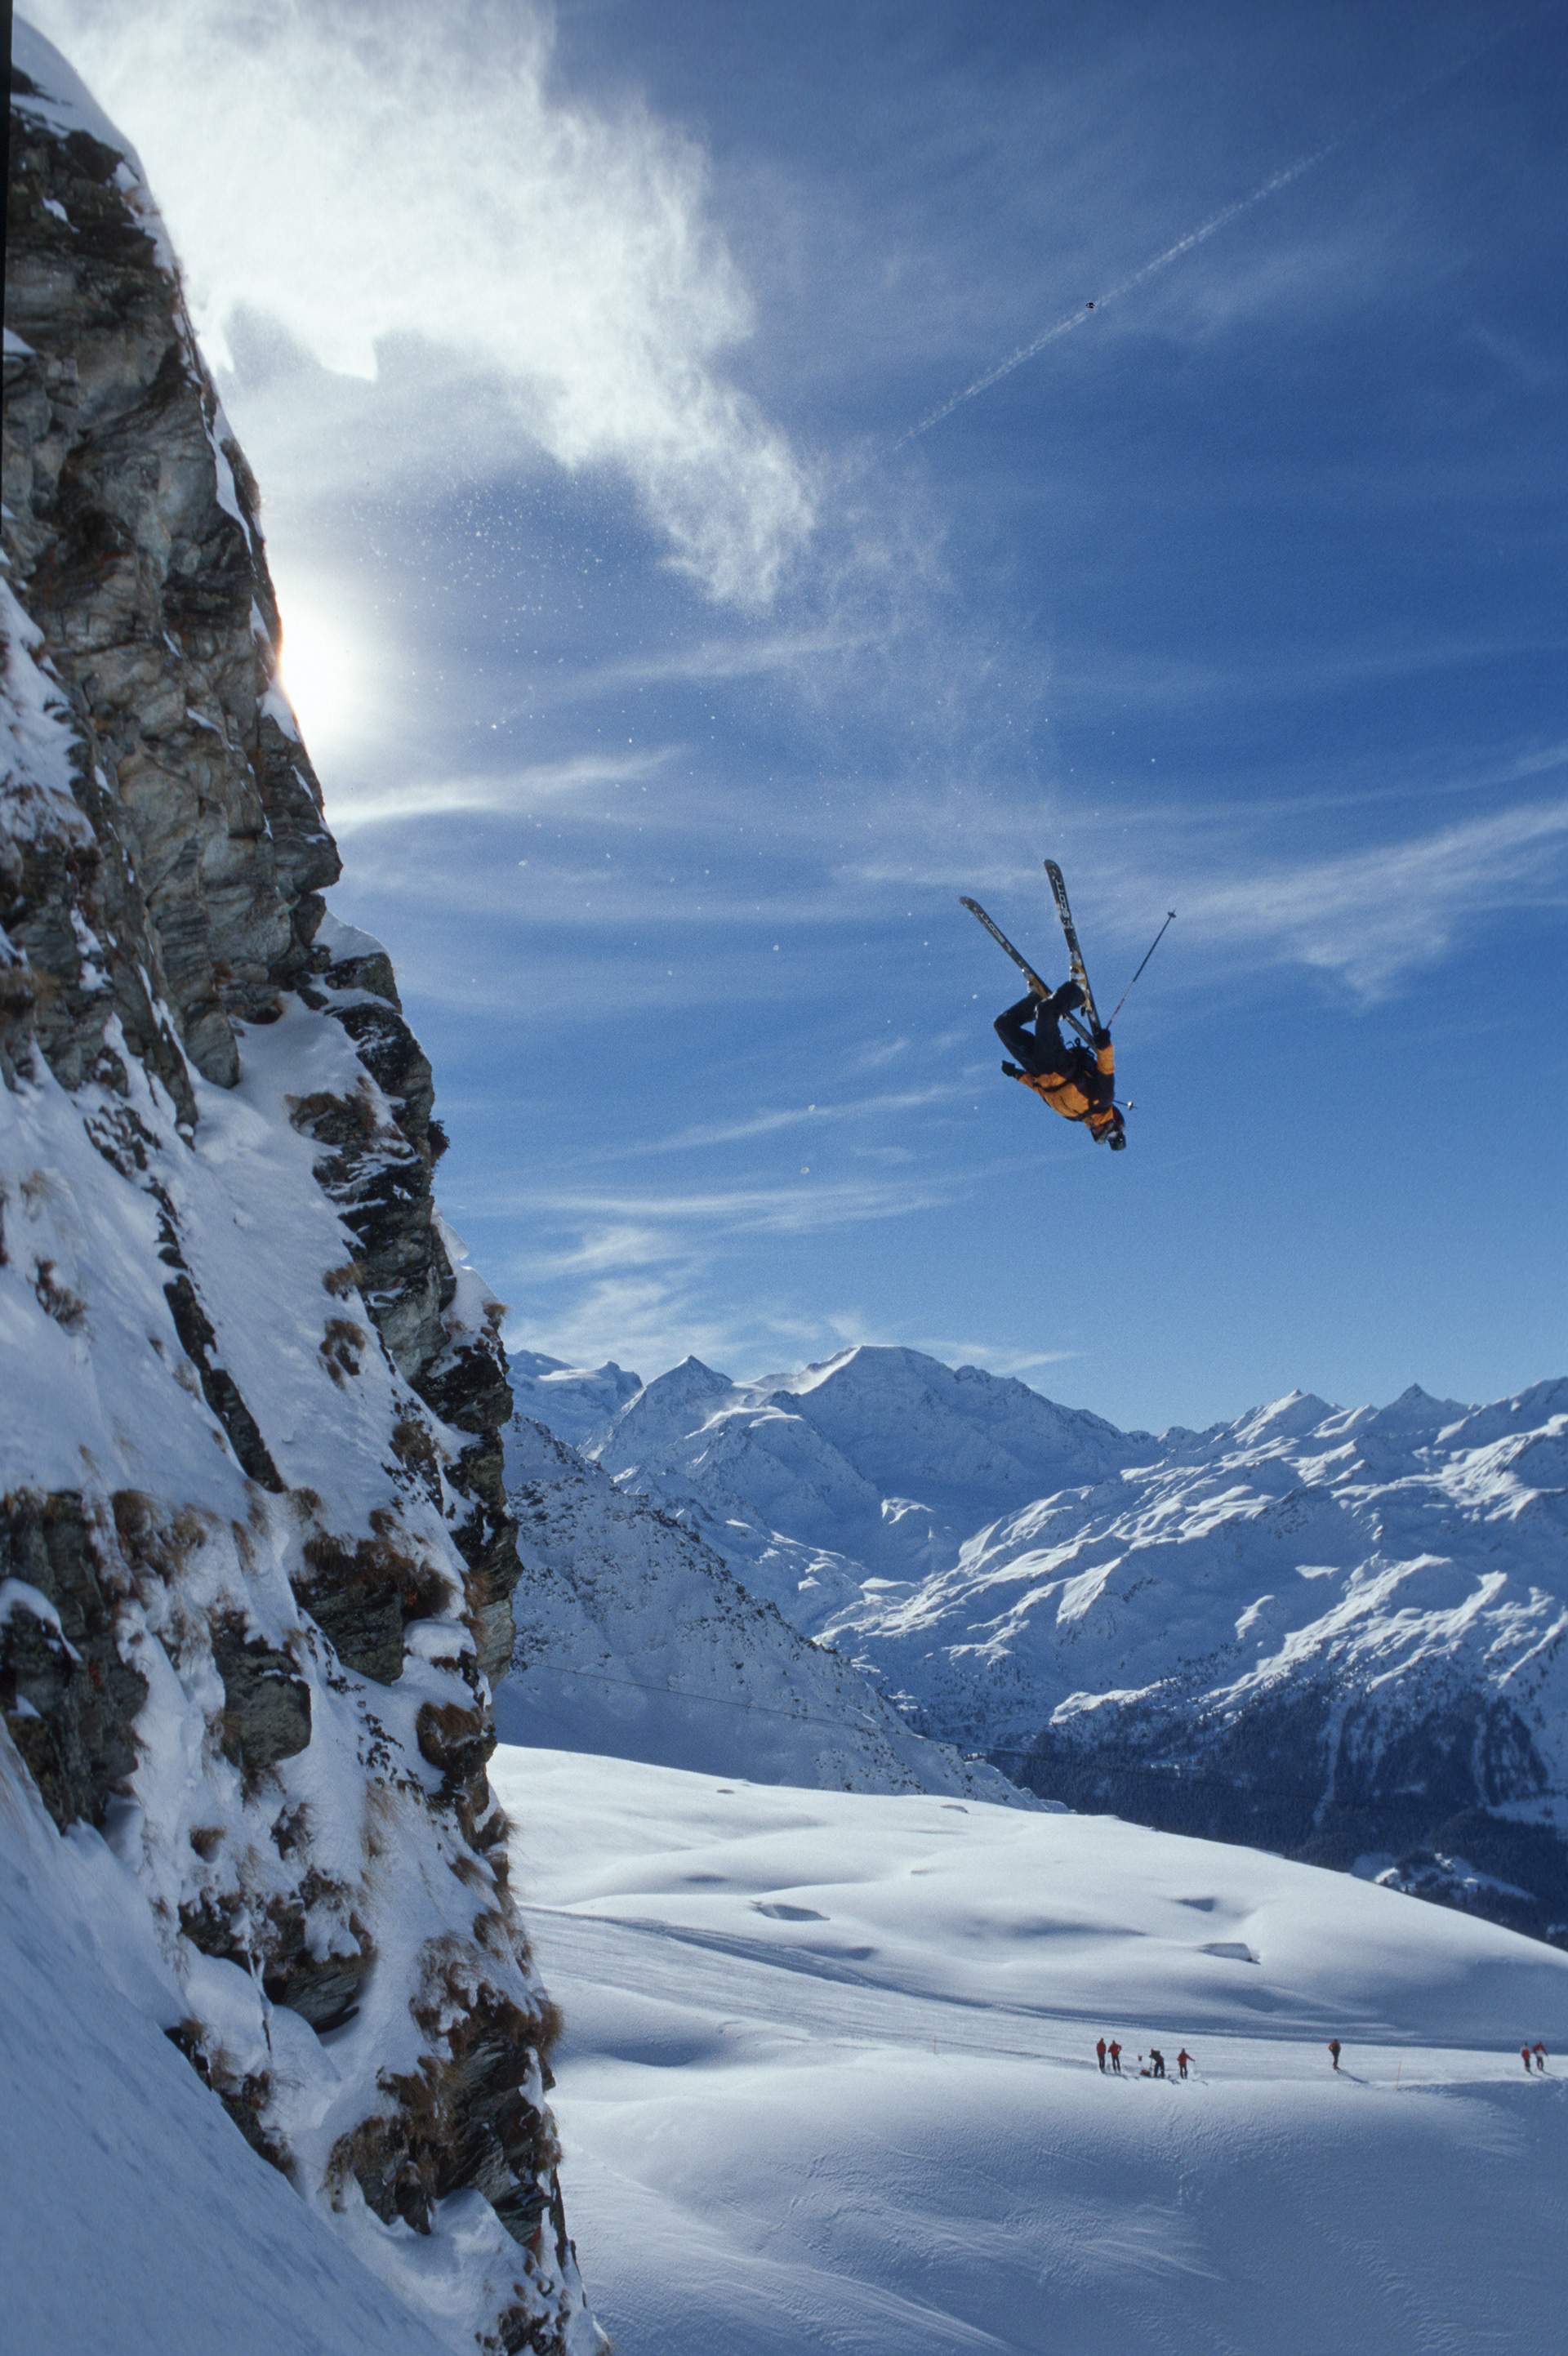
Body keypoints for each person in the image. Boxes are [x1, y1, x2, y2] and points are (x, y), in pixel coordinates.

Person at [994, 985, 1125, 1148]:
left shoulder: (1073, 1117)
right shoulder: (1103, 1101)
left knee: (1003, 1025)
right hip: (1058, 1064)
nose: (1098, 1135)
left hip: (1036, 1068)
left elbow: (1042, 1091)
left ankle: (1035, 999)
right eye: (1106, 1135)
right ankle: (1078, 992)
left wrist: (1016, 1074)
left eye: (1099, 1139)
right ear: (1113, 1124)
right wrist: (1105, 1046)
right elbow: (1106, 1069)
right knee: (1046, 1012)